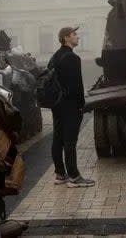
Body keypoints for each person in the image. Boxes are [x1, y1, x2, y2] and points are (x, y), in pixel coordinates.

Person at [48, 26, 95, 188]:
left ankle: (60, 175)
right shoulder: (72, 58)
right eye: (74, 34)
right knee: (70, 142)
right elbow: (76, 86)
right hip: (70, 105)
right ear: (66, 38)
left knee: (58, 139)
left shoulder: (55, 56)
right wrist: (82, 105)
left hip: (57, 104)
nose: (78, 37)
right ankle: (74, 177)